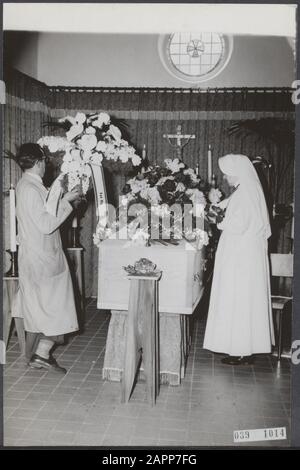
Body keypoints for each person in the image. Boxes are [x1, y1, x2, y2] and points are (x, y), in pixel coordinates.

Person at [14, 143, 81, 373]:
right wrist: (66, 202)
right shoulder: (30, 189)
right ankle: (39, 354)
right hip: (41, 261)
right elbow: (45, 224)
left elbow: (44, 211)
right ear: (39, 162)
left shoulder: (31, 186)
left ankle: (40, 354)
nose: (46, 166)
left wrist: (61, 194)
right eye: (45, 162)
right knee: (55, 311)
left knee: (51, 311)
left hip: (43, 258)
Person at [203, 154, 274, 365]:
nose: (225, 178)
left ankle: (242, 350)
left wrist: (218, 220)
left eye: (227, 174)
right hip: (240, 253)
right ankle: (241, 347)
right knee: (238, 297)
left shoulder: (246, 194)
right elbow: (227, 209)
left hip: (243, 256)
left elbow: (239, 224)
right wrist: (214, 210)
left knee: (241, 297)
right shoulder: (244, 191)